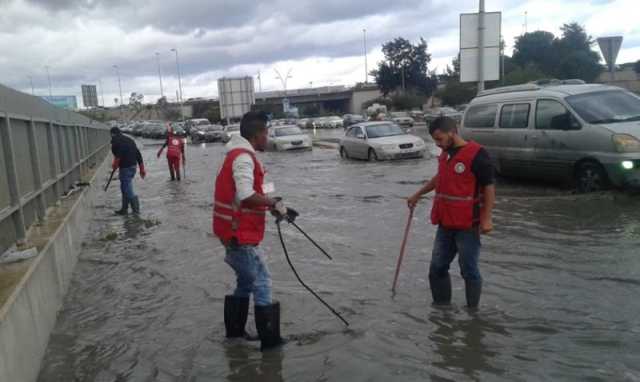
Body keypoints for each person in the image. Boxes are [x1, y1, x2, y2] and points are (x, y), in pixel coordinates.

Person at [213, 111, 293, 351]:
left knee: (247, 281)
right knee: (262, 281)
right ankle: (270, 343)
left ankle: (235, 336)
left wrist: (275, 205)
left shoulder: (244, 156)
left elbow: (255, 194)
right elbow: (245, 194)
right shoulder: (244, 158)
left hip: (233, 231)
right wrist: (271, 204)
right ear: (258, 135)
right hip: (240, 234)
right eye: (267, 133)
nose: (268, 138)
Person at [407, 116, 495, 309]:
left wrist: (486, 218)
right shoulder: (445, 154)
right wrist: (417, 194)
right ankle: (442, 309)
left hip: (468, 225)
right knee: (437, 268)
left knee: (469, 270)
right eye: (435, 140)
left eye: (440, 139)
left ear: (452, 132)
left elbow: (489, 187)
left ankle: (473, 314)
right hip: (445, 223)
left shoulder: (478, 154)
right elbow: (440, 178)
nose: (438, 144)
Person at [110, 127, 146, 215]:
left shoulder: (116, 141)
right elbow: (138, 154)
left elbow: (118, 154)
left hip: (125, 168)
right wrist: (142, 168)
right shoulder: (130, 140)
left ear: (112, 134)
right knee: (124, 188)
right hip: (133, 167)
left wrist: (115, 165)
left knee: (127, 189)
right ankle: (124, 209)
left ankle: (136, 212)